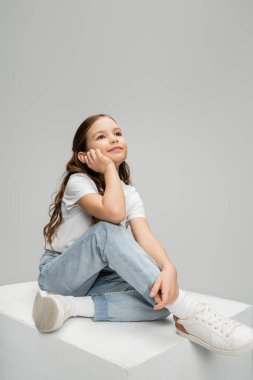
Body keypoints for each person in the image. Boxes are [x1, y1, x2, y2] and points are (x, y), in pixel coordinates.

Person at [32, 113, 253, 356]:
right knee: (107, 230)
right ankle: (191, 312)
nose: (114, 139)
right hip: (58, 275)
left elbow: (144, 236)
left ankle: (69, 306)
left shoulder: (129, 193)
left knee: (158, 301)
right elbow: (113, 214)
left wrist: (168, 268)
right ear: (84, 156)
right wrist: (107, 167)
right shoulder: (79, 181)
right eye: (102, 136)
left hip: (96, 278)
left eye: (117, 133)